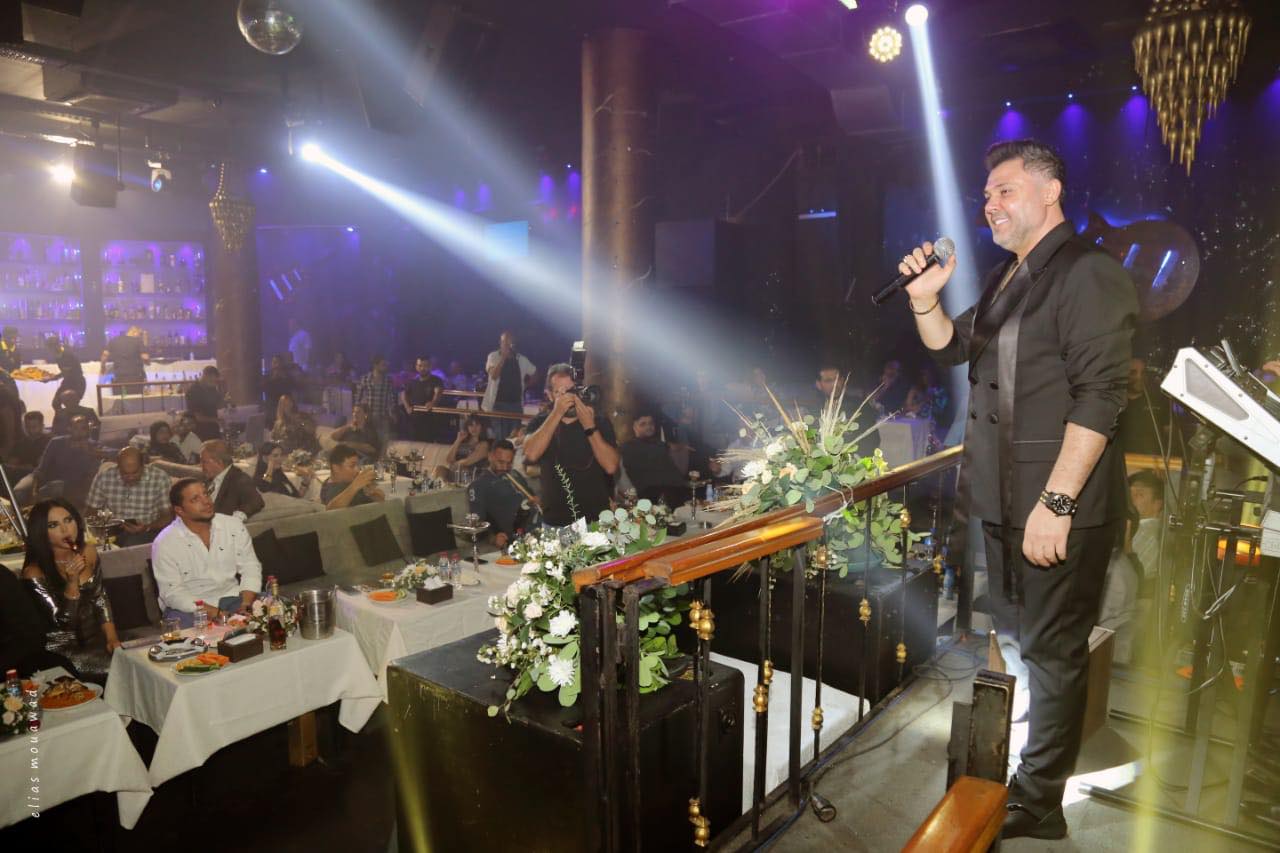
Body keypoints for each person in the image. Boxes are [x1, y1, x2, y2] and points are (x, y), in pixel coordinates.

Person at [904, 138, 1137, 840]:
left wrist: (1057, 503)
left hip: (1056, 507)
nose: (990, 204)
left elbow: (1101, 397)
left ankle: (1039, 804)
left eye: (1005, 189)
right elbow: (952, 346)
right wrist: (924, 299)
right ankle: (1028, 770)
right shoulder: (1008, 276)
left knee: (1055, 653)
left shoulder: (1087, 272)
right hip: (1003, 502)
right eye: (985, 195)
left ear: (1050, 190)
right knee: (1017, 640)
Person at [20, 499, 120, 684]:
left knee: (135, 666)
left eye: (68, 520)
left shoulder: (88, 552)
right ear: (41, 532)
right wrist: (72, 584)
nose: (65, 530)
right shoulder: (34, 572)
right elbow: (63, 623)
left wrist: (112, 638)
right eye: (53, 525)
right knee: (118, 674)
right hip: (63, 652)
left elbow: (100, 597)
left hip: (96, 641)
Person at [151, 478, 261, 628]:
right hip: (190, 608)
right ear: (179, 510)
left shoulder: (232, 525)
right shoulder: (165, 542)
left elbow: (250, 567)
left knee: (275, 609)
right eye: (195, 499)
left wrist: (246, 605)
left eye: (206, 494)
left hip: (233, 598)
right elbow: (172, 593)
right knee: (193, 634)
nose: (206, 502)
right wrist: (218, 614)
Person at [523, 363, 620, 526]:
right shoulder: (540, 422)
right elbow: (531, 454)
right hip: (555, 522)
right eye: (561, 392)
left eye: (572, 390)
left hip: (595, 520)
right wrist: (557, 412)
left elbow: (611, 466)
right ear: (549, 395)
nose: (569, 397)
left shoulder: (599, 421)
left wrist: (589, 426)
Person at [1, 556, 77, 678]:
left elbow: (32, 635)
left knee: (58, 668)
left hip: (16, 660)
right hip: (14, 657)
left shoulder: (3, 578)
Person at [86, 446, 172, 547]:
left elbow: (168, 516)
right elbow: (91, 510)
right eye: (125, 474)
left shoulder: (160, 478)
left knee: (131, 544)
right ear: (118, 467)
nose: (130, 478)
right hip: (112, 530)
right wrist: (98, 528)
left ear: (143, 465)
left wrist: (147, 527)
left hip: (148, 531)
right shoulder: (104, 477)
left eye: (135, 473)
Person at [467, 440, 539, 549]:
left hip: (540, 526)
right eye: (500, 462)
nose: (505, 468)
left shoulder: (515, 474)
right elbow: (477, 523)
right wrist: (493, 538)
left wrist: (537, 500)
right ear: (490, 456)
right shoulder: (478, 485)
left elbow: (532, 498)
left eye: (509, 463)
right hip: (518, 538)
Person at [22, 414, 100, 509]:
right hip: (53, 485)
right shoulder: (56, 442)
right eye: (76, 428)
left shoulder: (94, 447)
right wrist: (34, 491)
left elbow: (110, 456)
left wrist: (89, 451)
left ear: (88, 430)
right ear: (69, 429)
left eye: (83, 428)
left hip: (78, 489)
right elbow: (41, 469)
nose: (79, 432)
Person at [620, 413, 689, 507]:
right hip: (651, 492)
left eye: (651, 423)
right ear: (635, 427)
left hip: (676, 488)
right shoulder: (628, 447)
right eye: (643, 424)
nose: (648, 426)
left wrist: (682, 447)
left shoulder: (659, 444)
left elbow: (673, 447)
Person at [482, 332, 536, 440]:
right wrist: (503, 358)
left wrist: (525, 386)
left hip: (516, 405)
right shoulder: (493, 356)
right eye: (505, 342)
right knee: (500, 438)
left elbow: (535, 372)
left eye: (510, 342)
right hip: (498, 405)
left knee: (513, 439)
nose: (508, 345)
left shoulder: (521, 359)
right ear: (500, 342)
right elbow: (494, 375)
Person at [200, 439, 265, 521]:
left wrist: (235, 519)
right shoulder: (208, 479)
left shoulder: (238, 478)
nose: (201, 466)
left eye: (204, 462)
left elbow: (256, 501)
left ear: (219, 462)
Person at [1116, 357, 1170, 456]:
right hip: (1120, 460)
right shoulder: (1114, 403)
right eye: (1133, 373)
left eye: (1143, 373)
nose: (1140, 377)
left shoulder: (1159, 401)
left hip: (1152, 461)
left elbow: (1170, 435)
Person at [320, 443, 384, 509]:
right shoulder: (332, 490)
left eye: (357, 465)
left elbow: (381, 499)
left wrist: (372, 491)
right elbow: (331, 510)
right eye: (352, 466)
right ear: (336, 468)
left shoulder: (348, 481)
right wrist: (355, 486)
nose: (357, 469)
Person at [356, 355, 398, 449]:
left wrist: (392, 413)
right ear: (375, 365)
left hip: (383, 417)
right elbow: (358, 398)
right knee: (368, 443)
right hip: (368, 417)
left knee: (384, 443)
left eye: (386, 364)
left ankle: (381, 458)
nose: (385, 367)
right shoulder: (365, 378)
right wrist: (357, 415)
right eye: (383, 365)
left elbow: (391, 398)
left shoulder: (388, 380)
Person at [400, 356, 444, 442]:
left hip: (429, 420)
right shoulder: (412, 381)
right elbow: (403, 394)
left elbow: (438, 392)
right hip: (413, 420)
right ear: (416, 367)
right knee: (413, 445)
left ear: (430, 367)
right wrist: (407, 407)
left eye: (425, 366)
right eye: (420, 365)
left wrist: (433, 402)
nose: (422, 368)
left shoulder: (436, 380)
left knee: (428, 444)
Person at [41, 335, 86, 405]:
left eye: (50, 348)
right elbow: (65, 372)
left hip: (77, 383)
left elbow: (66, 372)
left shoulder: (67, 354)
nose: (49, 350)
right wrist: (50, 376)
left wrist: (50, 378)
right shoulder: (58, 355)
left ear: (55, 346)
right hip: (68, 381)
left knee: (71, 405)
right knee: (56, 404)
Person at [185, 365, 224, 440]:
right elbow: (199, 417)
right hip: (199, 431)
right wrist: (216, 420)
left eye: (216, 381)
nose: (215, 383)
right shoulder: (193, 391)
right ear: (205, 377)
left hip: (213, 429)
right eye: (212, 380)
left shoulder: (211, 388)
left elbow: (219, 404)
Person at [10, 410, 51, 475]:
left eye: (34, 427)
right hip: (22, 475)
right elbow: (11, 464)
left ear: (42, 426)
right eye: (27, 427)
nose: (30, 430)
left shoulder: (50, 442)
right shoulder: (19, 444)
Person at [263, 354, 297, 426]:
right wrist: (273, 379)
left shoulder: (287, 377)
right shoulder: (267, 377)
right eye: (273, 362)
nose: (276, 365)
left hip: (285, 410)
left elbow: (290, 389)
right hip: (272, 409)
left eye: (277, 362)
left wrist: (283, 378)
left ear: (281, 364)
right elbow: (266, 389)